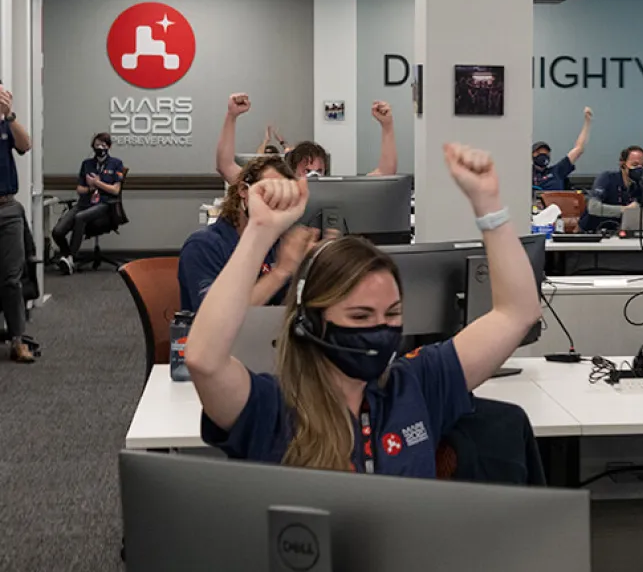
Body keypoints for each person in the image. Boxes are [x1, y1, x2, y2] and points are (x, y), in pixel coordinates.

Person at [185, 144, 541, 475]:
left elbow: (516, 314)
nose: (381, 327)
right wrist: (260, 231)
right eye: (360, 316)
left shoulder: (417, 383)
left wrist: (490, 207)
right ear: (311, 321)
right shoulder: (271, 407)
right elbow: (204, 360)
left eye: (392, 313)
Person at [179, 156, 318, 313]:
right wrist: (280, 272)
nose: (276, 202)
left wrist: (303, 271)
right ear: (244, 191)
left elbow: (283, 309)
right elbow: (218, 316)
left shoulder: (276, 245)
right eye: (269, 192)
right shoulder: (203, 246)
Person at [216, 94, 397, 183]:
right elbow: (226, 166)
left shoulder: (335, 192)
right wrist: (231, 116)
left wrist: (387, 126)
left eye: (319, 171)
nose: (313, 176)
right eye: (306, 170)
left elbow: (385, 174)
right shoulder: (276, 192)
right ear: (292, 172)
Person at [52, 132, 125, 275]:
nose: (100, 147)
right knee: (58, 231)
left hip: (104, 204)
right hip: (84, 203)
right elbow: (80, 189)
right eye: (97, 145)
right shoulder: (87, 164)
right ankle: (68, 257)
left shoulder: (116, 163)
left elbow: (116, 190)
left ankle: (70, 259)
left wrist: (98, 183)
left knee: (80, 217)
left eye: (103, 145)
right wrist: (90, 188)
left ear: (109, 147)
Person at [0, 84, 34, 363]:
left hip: (7, 208)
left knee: (12, 279)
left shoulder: (6, 124)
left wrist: (9, 116)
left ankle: (17, 340)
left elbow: (25, 145)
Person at [579, 145, 643, 233]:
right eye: (634, 165)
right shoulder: (607, 178)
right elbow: (593, 207)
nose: (639, 169)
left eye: (642, 166)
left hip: (622, 233)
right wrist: (625, 210)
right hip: (593, 233)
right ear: (623, 164)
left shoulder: (640, 186)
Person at [533, 107, 592, 192]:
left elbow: (578, 149)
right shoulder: (525, 174)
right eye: (538, 152)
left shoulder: (557, 171)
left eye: (545, 153)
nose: (542, 155)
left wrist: (587, 122)